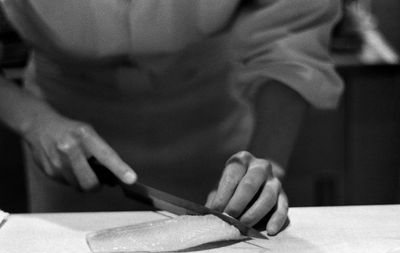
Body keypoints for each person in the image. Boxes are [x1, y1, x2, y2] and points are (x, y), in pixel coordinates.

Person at [0, 0, 343, 235]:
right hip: (62, 118)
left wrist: (269, 159)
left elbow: (293, 29)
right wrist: (32, 120)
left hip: (213, 122)